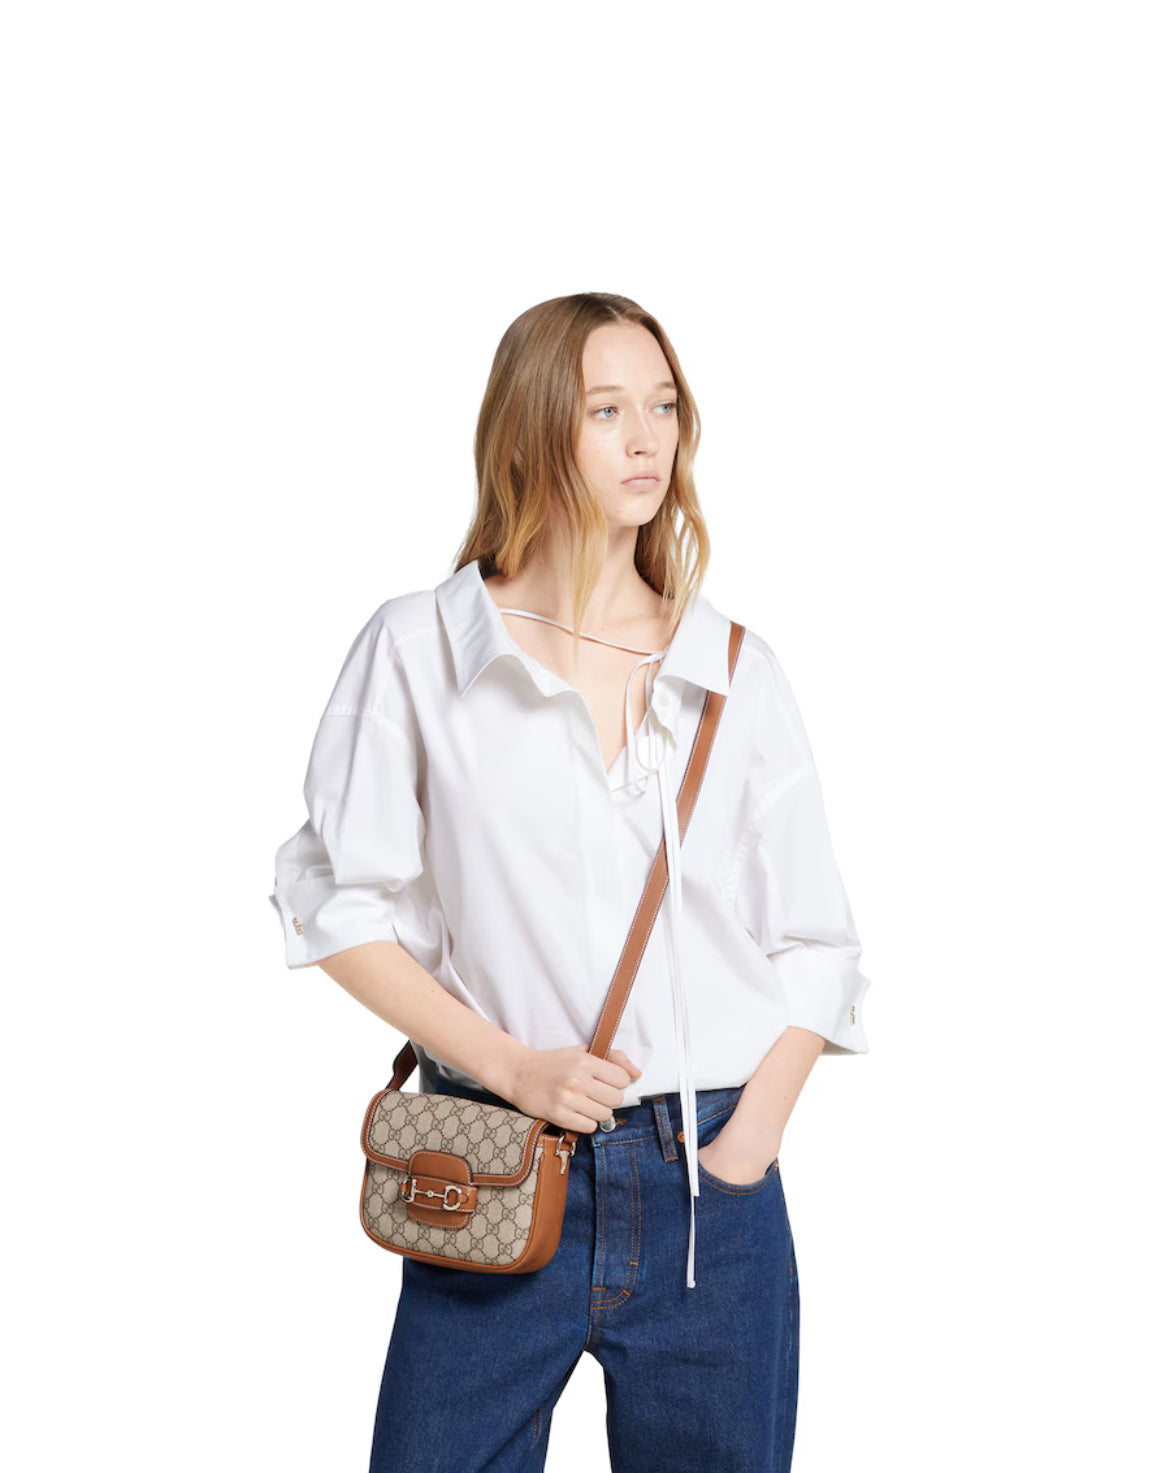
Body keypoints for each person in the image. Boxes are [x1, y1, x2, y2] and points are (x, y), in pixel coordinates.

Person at [268, 292, 872, 1472]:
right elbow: (336, 906)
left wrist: (746, 1147)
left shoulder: (732, 669)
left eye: (664, 406)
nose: (648, 439)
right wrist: (509, 1067)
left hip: (708, 1193)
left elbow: (816, 944)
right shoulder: (419, 649)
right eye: (606, 410)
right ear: (534, 426)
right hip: (490, 1166)